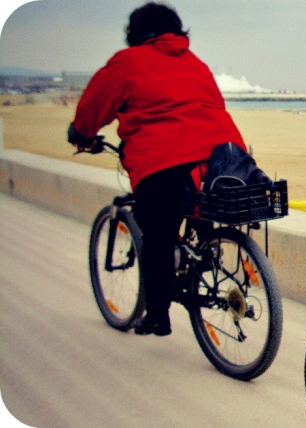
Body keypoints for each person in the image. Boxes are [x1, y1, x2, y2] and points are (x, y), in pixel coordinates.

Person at [67, 2, 247, 336]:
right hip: (218, 158)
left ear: (136, 33)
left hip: (160, 161)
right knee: (196, 213)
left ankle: (157, 316)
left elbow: (95, 103)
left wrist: (80, 133)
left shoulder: (128, 62)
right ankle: (204, 253)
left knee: (158, 236)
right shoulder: (196, 64)